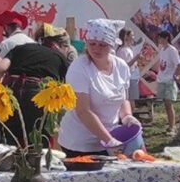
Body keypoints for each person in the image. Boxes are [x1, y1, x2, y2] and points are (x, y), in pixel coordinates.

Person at [58, 18, 139, 158]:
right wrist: (108, 140)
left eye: (102, 45)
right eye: (92, 44)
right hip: (80, 143)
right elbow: (83, 110)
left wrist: (127, 116)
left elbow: (123, 98)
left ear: (112, 45)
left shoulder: (121, 66)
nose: (96, 48)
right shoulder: (79, 68)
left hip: (110, 137)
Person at [0, 26, 70, 146]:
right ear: (61, 45)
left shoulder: (21, 48)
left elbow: (0, 68)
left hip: (11, 94)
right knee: (38, 142)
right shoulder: (59, 57)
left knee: (9, 142)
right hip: (39, 97)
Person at [152, 30, 180, 136]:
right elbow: (162, 64)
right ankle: (170, 125)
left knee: (169, 103)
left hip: (169, 81)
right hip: (162, 79)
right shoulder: (162, 50)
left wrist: (175, 76)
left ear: (166, 38)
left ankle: (172, 127)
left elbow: (178, 64)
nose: (159, 40)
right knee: (165, 104)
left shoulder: (172, 50)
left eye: (160, 38)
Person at [116, 29, 143, 104]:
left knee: (132, 101)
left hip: (133, 77)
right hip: (129, 78)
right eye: (132, 35)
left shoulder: (128, 49)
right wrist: (136, 58)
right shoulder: (122, 50)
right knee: (130, 102)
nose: (134, 37)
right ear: (126, 37)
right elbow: (125, 66)